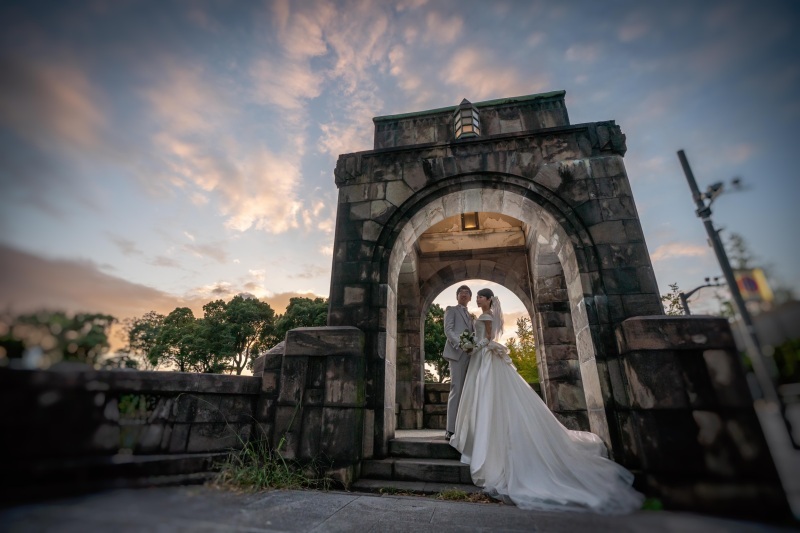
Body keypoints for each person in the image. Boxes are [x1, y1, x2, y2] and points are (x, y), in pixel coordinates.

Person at [450, 288, 644, 514]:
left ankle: (489, 439)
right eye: (477, 298)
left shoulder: (486, 315)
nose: (477, 299)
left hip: (485, 357)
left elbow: (490, 338)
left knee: (489, 395)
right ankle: (483, 432)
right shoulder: (482, 315)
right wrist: (473, 344)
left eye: (480, 297)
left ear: (489, 299)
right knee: (483, 396)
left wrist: (475, 345)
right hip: (482, 358)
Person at [442, 284, 475, 440]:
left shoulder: (471, 316)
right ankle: (450, 430)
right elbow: (448, 330)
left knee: (468, 391)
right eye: (461, 292)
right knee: (456, 389)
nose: (464, 294)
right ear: (457, 296)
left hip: (471, 356)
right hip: (456, 354)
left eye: (467, 292)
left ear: (470, 297)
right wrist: (461, 344)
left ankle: (464, 427)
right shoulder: (451, 310)